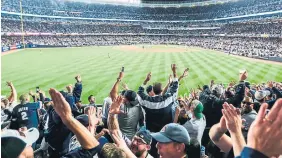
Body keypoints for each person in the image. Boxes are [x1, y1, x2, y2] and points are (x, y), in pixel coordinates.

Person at [137, 64, 179, 133]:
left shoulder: (147, 101)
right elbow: (175, 86)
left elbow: (139, 92)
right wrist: (174, 72)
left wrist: (146, 80)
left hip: (152, 131)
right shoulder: (168, 99)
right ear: (162, 90)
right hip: (166, 131)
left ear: (153, 91)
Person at [110, 70, 144, 140]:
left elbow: (112, 93)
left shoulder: (122, 108)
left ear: (125, 99)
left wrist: (119, 78)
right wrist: (127, 89)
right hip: (134, 138)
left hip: (121, 138)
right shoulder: (139, 107)